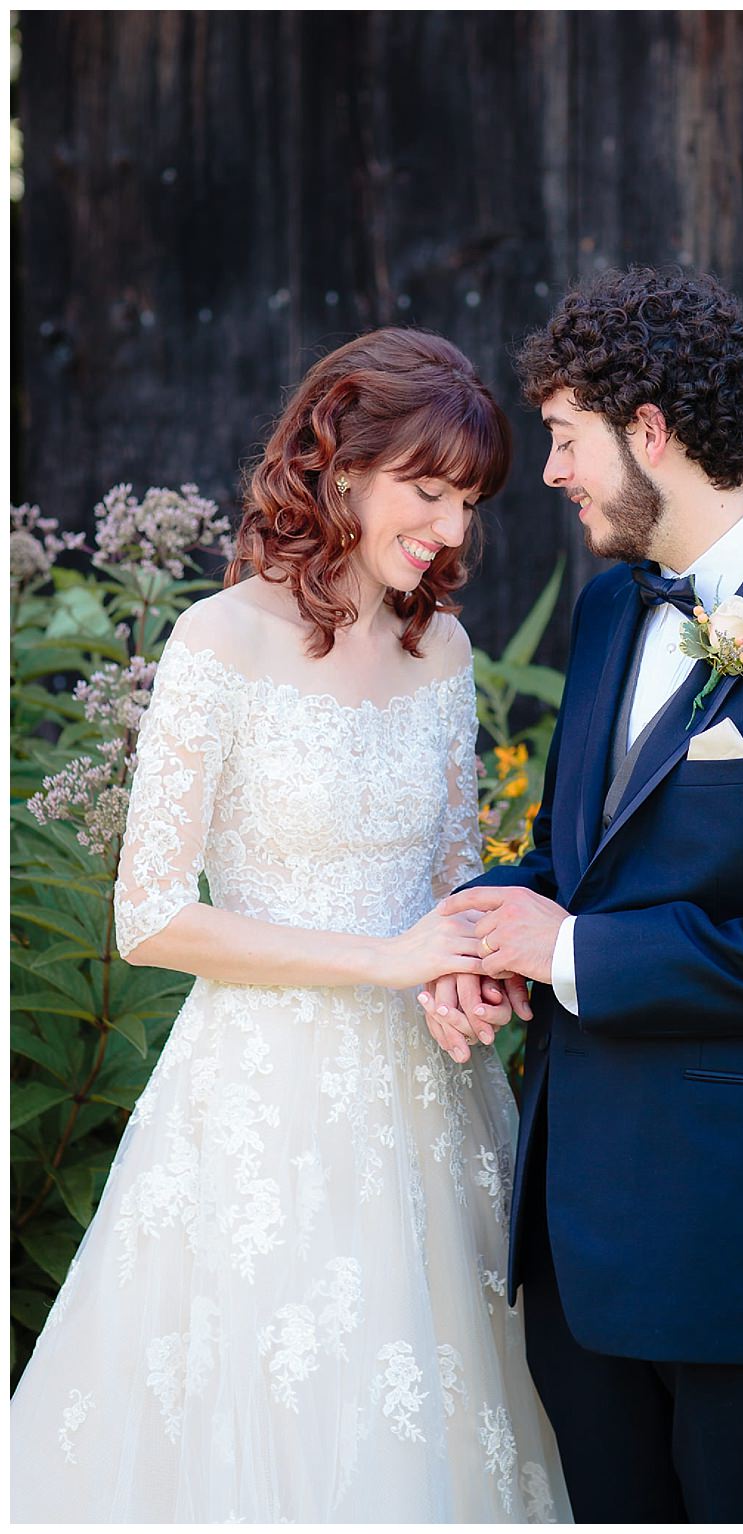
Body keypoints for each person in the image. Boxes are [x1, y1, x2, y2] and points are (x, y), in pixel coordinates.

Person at [8, 329, 569, 1521]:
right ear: (339, 466)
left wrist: (459, 974)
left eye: (468, 499)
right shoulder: (220, 640)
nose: (454, 529)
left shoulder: (448, 646)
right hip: (262, 1105)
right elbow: (150, 918)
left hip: (430, 1109)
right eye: (428, 490)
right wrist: (386, 960)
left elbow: (451, 881)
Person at [417, 265, 743, 1522]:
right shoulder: (609, 613)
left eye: (564, 437)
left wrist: (577, 955)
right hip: (583, 1230)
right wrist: (480, 932)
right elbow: (570, 864)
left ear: (650, 431)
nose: (549, 471)